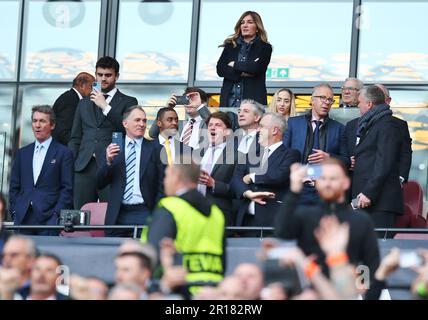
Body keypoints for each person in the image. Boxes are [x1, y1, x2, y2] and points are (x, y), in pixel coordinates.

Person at [274, 158, 380, 283]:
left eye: (333, 178)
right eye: (323, 178)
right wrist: (294, 190)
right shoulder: (305, 215)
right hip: (311, 290)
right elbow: (281, 232)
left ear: (346, 182)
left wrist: (363, 290)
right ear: (316, 182)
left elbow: (370, 264)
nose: (327, 183)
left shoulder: (362, 220)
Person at [144, 159, 226, 295]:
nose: (165, 181)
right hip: (212, 291)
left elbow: (154, 252)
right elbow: (223, 259)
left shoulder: (170, 207)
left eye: (167, 175)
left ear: (176, 177)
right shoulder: (216, 212)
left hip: (178, 290)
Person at [69, 56, 138, 210]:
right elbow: (75, 137)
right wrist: (73, 163)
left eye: (108, 75)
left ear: (117, 76)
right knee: (80, 216)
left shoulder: (129, 101)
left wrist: (105, 106)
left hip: (112, 166)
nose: (103, 79)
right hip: (84, 167)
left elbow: (129, 130)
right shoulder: (84, 102)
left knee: (111, 213)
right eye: (100, 75)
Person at [97, 106, 164, 237]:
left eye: (144, 121)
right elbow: (99, 183)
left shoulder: (156, 148)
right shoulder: (112, 149)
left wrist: (157, 213)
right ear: (125, 123)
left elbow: (163, 184)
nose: (142, 124)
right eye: (137, 120)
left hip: (146, 212)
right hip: (118, 214)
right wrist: (108, 162)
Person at [9, 105, 73, 235]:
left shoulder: (63, 153)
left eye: (42, 121)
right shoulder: (22, 153)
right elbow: (14, 187)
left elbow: (67, 188)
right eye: (34, 121)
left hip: (49, 219)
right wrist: (16, 210)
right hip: (23, 218)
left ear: (52, 125)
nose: (37, 125)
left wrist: (56, 214)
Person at [283, 83, 349, 205]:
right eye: (322, 97)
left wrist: (329, 157)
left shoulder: (339, 128)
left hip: (325, 190)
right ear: (312, 100)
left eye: (330, 99)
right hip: (298, 188)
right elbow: (283, 155)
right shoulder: (293, 123)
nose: (327, 102)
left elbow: (346, 161)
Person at [232, 112, 300, 228]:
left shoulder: (291, 154)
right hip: (245, 222)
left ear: (274, 130)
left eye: (262, 126)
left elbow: (279, 176)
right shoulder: (251, 154)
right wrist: (249, 194)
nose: (258, 130)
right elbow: (235, 179)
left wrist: (252, 177)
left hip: (272, 222)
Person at [349, 85, 403, 228]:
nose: (358, 106)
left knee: (379, 249)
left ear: (369, 104)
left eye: (359, 102)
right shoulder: (373, 123)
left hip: (379, 203)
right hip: (368, 202)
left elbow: (384, 161)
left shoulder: (387, 124)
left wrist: (368, 193)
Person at [345, 84, 412, 185]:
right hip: (353, 181)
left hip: (385, 184)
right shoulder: (351, 125)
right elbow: (343, 150)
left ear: (387, 100)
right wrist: (347, 161)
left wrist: (400, 178)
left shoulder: (397, 125)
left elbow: (404, 153)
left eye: (379, 95)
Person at [217, 11, 272, 108]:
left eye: (250, 22)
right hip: (228, 103)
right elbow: (220, 69)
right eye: (242, 23)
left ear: (257, 27)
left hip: (253, 104)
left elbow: (256, 68)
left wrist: (234, 64)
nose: (245, 25)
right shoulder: (230, 46)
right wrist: (243, 72)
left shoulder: (265, 47)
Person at [197, 112, 238, 226]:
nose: (213, 127)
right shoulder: (198, 152)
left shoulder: (237, 156)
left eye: (218, 125)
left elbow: (238, 190)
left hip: (219, 215)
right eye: (210, 125)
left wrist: (214, 184)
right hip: (194, 214)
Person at [52, 72, 95, 145]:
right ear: (82, 85)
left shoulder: (72, 98)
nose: (93, 91)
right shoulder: (69, 100)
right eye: (91, 86)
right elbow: (63, 131)